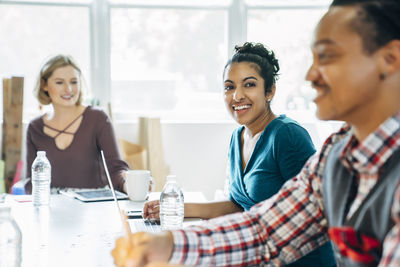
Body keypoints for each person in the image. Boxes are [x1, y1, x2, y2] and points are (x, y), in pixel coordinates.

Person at [112, 0, 400, 266]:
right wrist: (167, 245)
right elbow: (267, 230)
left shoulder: (288, 135)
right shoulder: (335, 157)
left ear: (390, 59)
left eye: (327, 56)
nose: (310, 75)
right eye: (229, 86)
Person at [142, 42, 335, 266]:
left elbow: (311, 214)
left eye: (249, 85)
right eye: (229, 87)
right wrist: (176, 209)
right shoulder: (237, 137)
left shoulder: (287, 135)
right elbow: (238, 205)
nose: (237, 96)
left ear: (270, 91)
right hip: (260, 255)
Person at [25, 55, 129, 193]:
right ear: (44, 85)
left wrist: (131, 185)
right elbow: (32, 182)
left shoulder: (98, 118)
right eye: (59, 82)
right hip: (53, 209)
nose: (69, 89)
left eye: (74, 82)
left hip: (93, 207)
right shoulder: (35, 128)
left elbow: (116, 170)